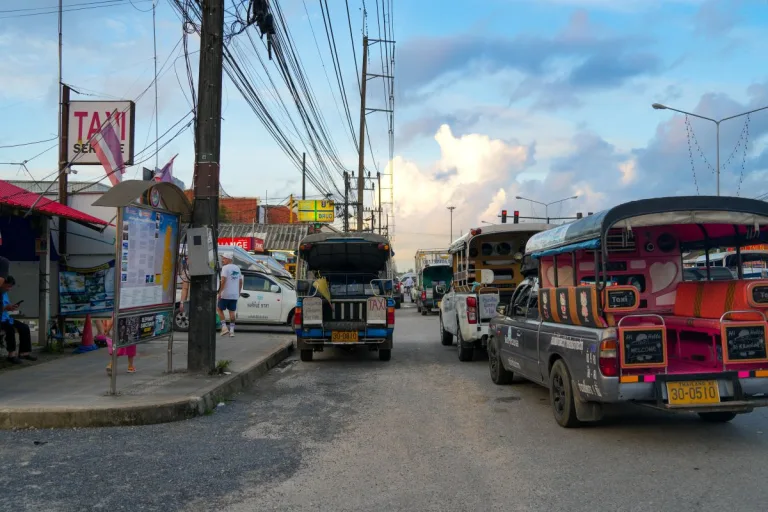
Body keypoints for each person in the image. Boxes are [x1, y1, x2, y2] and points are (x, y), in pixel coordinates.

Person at [1, 276, 37, 364]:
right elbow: (3, 307)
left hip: (6, 318)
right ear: (2, 283)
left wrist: (11, 307)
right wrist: (5, 308)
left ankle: (24, 353)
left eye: (10, 287)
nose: (9, 289)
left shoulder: (4, 294)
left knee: (24, 327)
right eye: (8, 286)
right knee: (10, 330)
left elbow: (6, 306)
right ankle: (11, 355)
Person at [217, 253, 243, 337]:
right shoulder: (237, 268)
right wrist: (238, 292)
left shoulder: (225, 268)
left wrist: (219, 292)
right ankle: (232, 331)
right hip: (234, 294)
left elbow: (223, 281)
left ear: (229, 259)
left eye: (224, 258)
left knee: (219, 309)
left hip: (225, 294)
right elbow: (240, 282)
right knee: (232, 312)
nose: (222, 260)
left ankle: (224, 327)